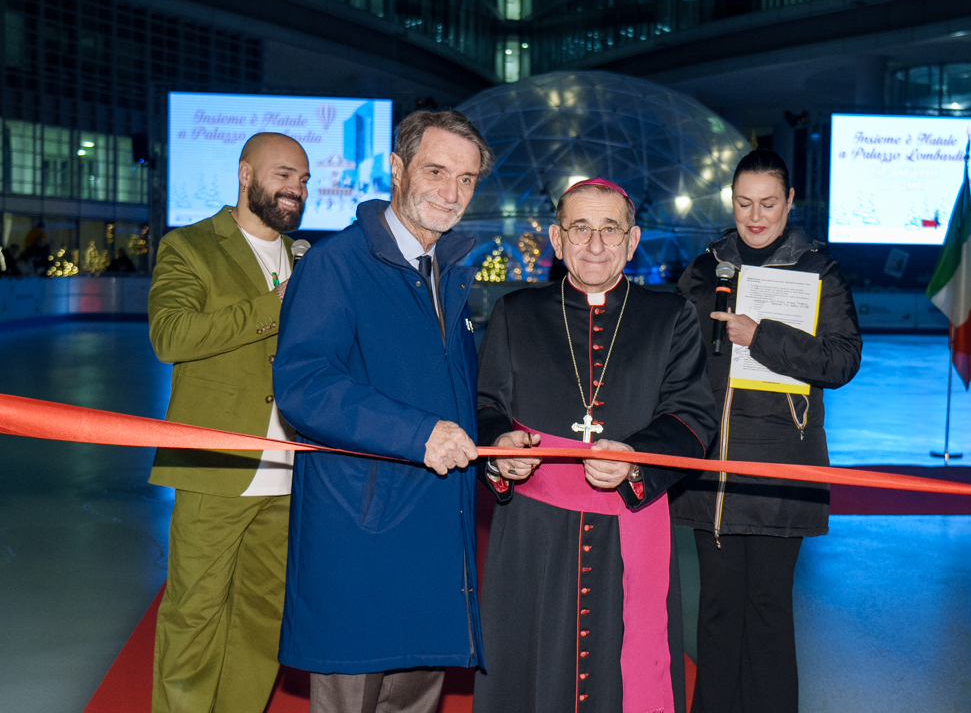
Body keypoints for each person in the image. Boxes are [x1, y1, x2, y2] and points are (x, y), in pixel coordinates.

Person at [272, 109, 494, 713]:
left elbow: (452, 393)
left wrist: (495, 448)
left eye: (467, 179)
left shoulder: (446, 272)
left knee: (417, 700)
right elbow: (304, 385)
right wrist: (419, 433)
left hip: (433, 532)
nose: (452, 193)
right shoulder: (336, 265)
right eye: (437, 171)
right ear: (397, 169)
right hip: (362, 534)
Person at [473, 178, 718, 713]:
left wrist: (635, 461)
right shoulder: (516, 312)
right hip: (534, 534)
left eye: (611, 230)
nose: (596, 245)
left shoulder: (670, 316)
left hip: (628, 524)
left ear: (632, 242)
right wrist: (499, 447)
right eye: (580, 229)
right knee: (531, 665)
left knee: (620, 671)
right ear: (558, 242)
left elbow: (694, 417)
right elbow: (483, 405)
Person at [673, 149, 862, 713]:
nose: (755, 216)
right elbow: (676, 356)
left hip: (782, 466)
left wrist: (761, 337)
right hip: (714, 467)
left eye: (769, 204)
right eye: (743, 203)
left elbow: (843, 360)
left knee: (769, 610)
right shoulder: (706, 268)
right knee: (717, 610)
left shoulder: (818, 270)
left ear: (790, 203)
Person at [148, 132, 310, 713]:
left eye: (304, 179)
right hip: (214, 465)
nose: (295, 188)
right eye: (284, 174)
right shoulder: (191, 246)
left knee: (264, 622)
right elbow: (171, 336)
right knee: (193, 614)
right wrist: (278, 305)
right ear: (246, 174)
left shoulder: (306, 258)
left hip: (294, 472)